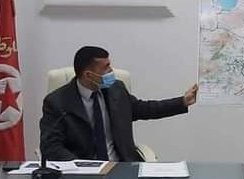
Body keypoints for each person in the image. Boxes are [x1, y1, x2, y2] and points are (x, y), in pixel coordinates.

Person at [40, 46, 198, 161]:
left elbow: (145, 109)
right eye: (106, 67)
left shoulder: (116, 89)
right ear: (88, 75)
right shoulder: (57, 102)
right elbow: (51, 147)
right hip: (82, 174)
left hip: (121, 167)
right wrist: (82, 167)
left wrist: (182, 102)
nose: (111, 71)